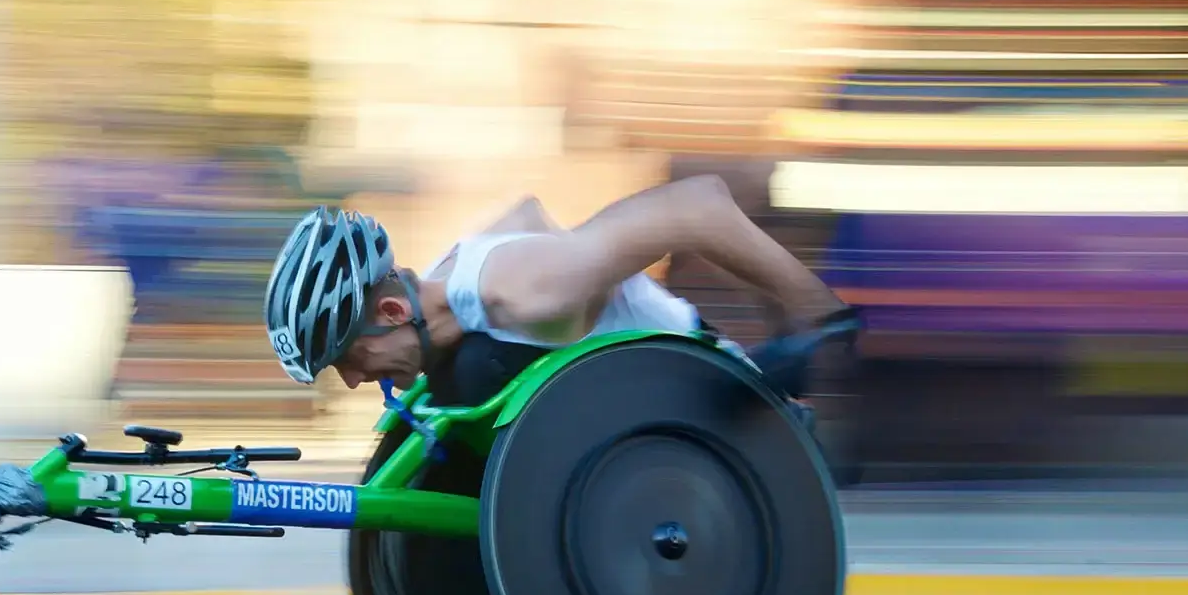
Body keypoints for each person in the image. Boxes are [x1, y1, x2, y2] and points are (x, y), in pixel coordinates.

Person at [262, 175, 859, 411]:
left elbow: (698, 208)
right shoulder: (457, 284)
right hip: (616, 405)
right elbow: (528, 210)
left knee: (474, 370)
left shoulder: (527, 291)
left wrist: (811, 322)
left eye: (346, 358)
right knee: (460, 378)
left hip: (703, 403)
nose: (352, 380)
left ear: (392, 312)